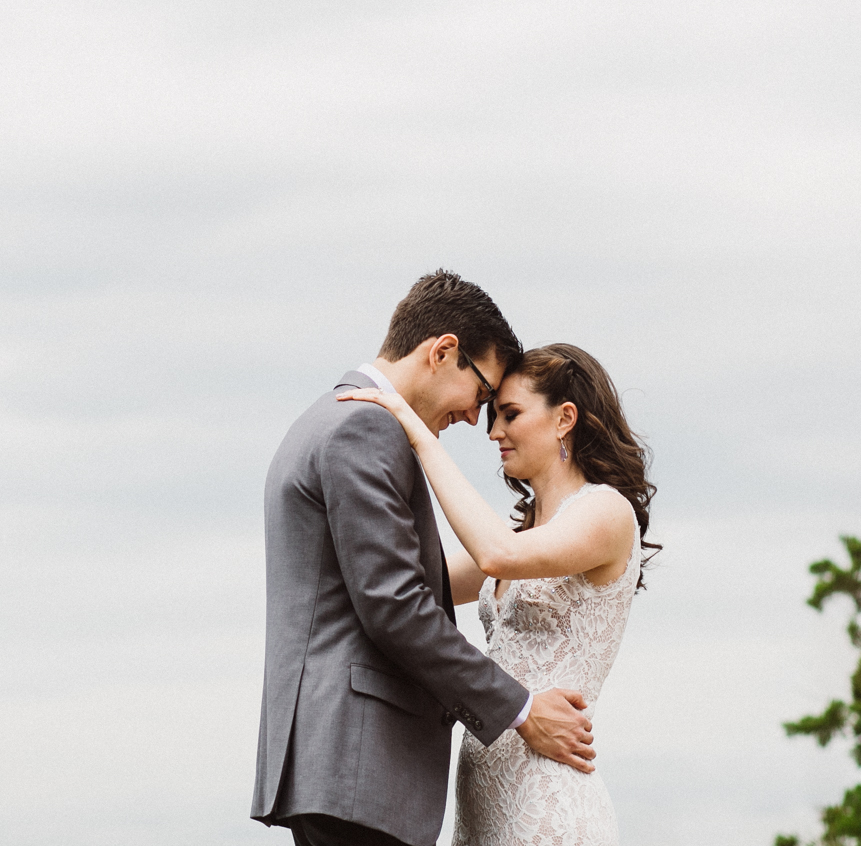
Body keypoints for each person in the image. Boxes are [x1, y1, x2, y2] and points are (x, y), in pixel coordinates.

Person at [253, 271, 597, 846]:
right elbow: (395, 605)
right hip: (359, 760)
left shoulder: (329, 417)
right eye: (483, 395)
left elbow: (427, 579)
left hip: (341, 765)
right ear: (443, 352)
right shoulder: (364, 426)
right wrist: (519, 709)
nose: (475, 420)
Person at [339, 342, 659, 846]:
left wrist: (416, 431)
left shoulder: (606, 513)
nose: (493, 432)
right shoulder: (527, 530)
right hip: (482, 811)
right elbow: (418, 580)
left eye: (509, 414)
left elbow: (495, 556)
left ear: (564, 419)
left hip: (548, 809)